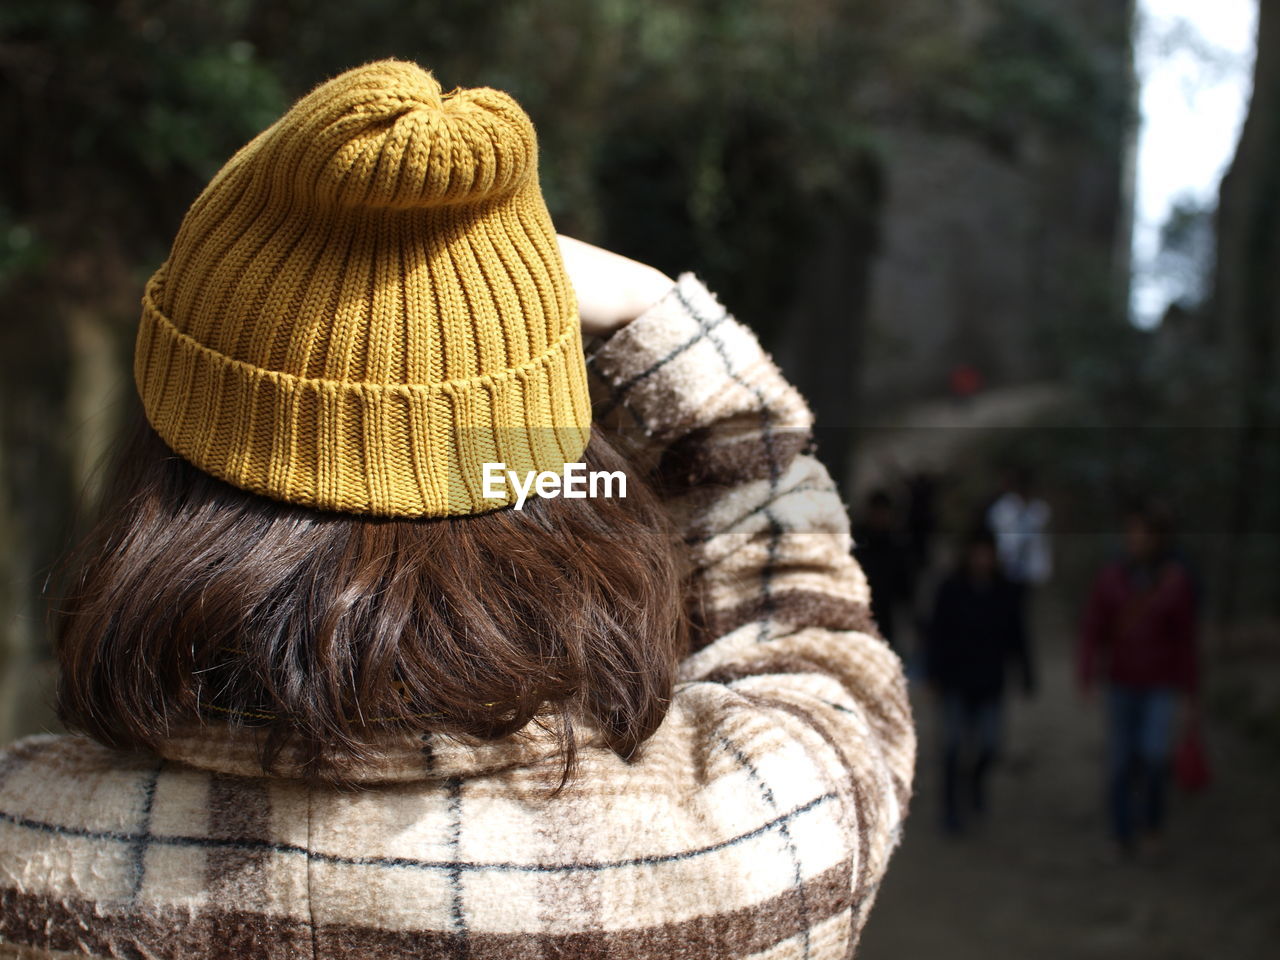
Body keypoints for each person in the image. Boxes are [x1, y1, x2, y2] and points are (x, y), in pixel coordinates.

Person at [0, 61, 915, 958]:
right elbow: (815, 641)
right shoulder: (748, 845)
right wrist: (660, 318)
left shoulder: (26, 857)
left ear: (163, 474)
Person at [1079, 506, 1198, 859]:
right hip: (1121, 682)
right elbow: (1093, 627)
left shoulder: (1176, 582)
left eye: (1142, 533)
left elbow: (1184, 640)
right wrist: (1088, 672)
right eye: (1131, 533)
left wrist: (1190, 689)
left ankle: (1151, 826)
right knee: (1121, 760)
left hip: (1159, 683)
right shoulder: (1112, 577)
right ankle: (1121, 832)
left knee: (1155, 756)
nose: (1135, 540)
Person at [926, 526, 1033, 835]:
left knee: (989, 744)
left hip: (990, 682)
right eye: (978, 552)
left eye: (988, 553)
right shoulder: (950, 588)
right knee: (952, 746)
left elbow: (1017, 634)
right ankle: (950, 810)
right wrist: (934, 674)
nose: (983, 559)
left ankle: (974, 786)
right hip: (955, 681)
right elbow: (937, 633)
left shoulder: (1005, 591)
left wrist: (1025, 673)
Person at [853, 489, 911, 650]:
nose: (879, 518)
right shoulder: (857, 545)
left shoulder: (896, 548)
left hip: (885, 623)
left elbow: (903, 592)